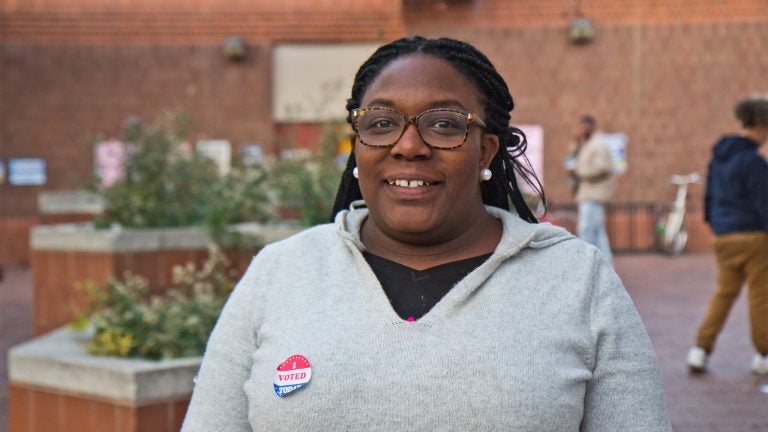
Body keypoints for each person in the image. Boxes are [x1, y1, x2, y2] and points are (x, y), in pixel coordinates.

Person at [182, 36, 671, 431]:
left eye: (443, 124)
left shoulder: (576, 280)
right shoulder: (282, 272)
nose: (408, 146)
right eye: (381, 123)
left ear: (486, 151)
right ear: (358, 146)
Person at [687, 98, 768, 375]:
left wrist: (717, 225)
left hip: (723, 236)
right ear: (759, 126)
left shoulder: (718, 159)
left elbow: (709, 198)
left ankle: (700, 350)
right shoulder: (754, 162)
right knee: (760, 296)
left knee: (723, 294)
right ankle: (764, 355)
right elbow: (763, 203)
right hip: (754, 237)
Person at [567, 115, 616, 264]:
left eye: (584, 127)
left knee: (587, 230)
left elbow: (604, 167)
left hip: (594, 196)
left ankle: (587, 264)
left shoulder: (598, 144)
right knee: (597, 232)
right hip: (588, 194)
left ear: (592, 126)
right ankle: (606, 264)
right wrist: (576, 142)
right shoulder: (587, 144)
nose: (581, 130)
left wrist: (580, 172)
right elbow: (572, 156)